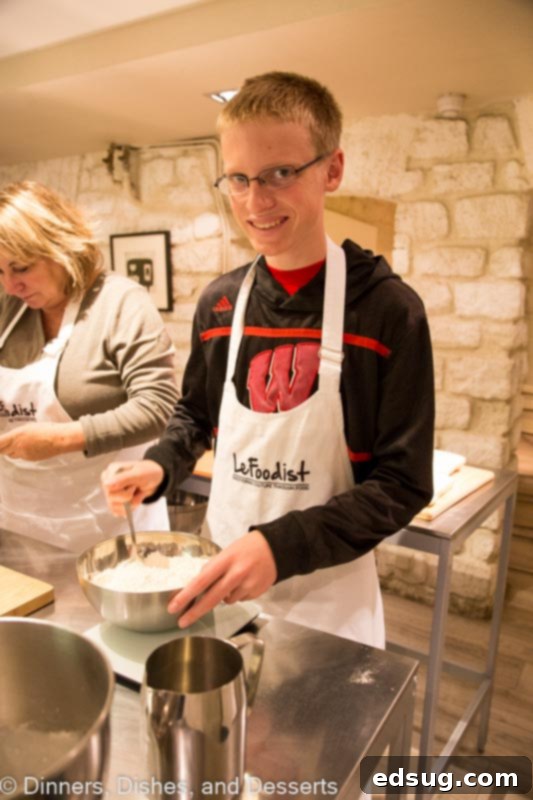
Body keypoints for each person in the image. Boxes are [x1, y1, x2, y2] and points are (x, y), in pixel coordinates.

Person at [102, 71, 434, 646]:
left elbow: (403, 484)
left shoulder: (386, 312)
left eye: (281, 174)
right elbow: (194, 417)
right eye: (238, 178)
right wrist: (160, 464)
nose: (255, 202)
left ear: (332, 169)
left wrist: (281, 546)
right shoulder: (221, 303)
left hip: (329, 601)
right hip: (220, 579)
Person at [0, 181, 178, 553]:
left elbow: (158, 406)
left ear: (59, 245)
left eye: (21, 267)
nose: (11, 285)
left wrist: (61, 439)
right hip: (18, 525)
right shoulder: (8, 308)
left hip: (106, 524)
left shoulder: (120, 302)